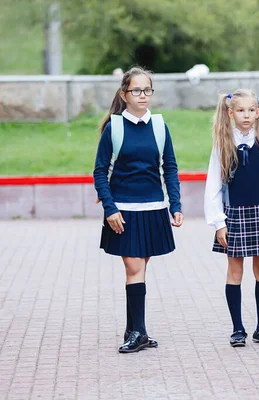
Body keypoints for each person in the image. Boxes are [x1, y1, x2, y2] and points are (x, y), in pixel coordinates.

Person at [93, 66, 183, 353]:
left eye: (147, 90)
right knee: (134, 268)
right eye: (136, 90)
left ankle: (134, 329)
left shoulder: (159, 126)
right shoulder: (114, 128)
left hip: (154, 208)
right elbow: (99, 172)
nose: (142, 95)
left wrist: (175, 205)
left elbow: (169, 167)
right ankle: (140, 332)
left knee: (140, 269)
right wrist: (110, 209)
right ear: (124, 94)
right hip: (123, 212)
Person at [204, 89, 259, 347]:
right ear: (231, 113)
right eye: (241, 110)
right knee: (235, 270)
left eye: (251, 110)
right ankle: (237, 328)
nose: (246, 115)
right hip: (234, 216)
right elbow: (213, 186)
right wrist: (219, 222)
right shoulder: (223, 144)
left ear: (258, 112)